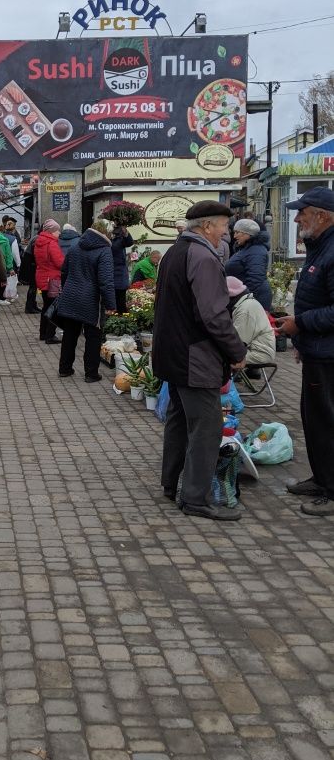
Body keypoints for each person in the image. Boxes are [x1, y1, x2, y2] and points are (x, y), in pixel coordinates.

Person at [152, 201, 246, 521]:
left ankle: (170, 483)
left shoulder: (175, 251)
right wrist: (236, 351)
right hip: (194, 357)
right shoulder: (203, 257)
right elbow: (214, 316)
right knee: (207, 427)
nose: (227, 234)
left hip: (173, 354)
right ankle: (195, 499)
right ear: (207, 227)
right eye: (223, 227)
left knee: (179, 422)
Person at [277, 187, 334, 516]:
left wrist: (301, 324)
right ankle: (322, 477)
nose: (297, 218)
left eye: (303, 213)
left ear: (323, 216)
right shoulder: (320, 247)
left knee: (326, 420)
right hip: (317, 351)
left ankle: (331, 488)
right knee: (313, 421)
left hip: (329, 357)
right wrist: (302, 338)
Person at [56, 221, 116, 381]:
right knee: (93, 336)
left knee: (70, 334)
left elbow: (64, 271)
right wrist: (111, 304)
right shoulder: (104, 250)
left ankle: (65, 368)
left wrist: (67, 288)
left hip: (71, 295)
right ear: (107, 233)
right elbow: (106, 280)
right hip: (91, 299)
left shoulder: (76, 246)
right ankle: (91, 373)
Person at [226, 277, 276, 365]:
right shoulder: (244, 304)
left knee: (216, 358)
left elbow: (237, 342)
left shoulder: (245, 309)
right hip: (254, 349)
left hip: (259, 353)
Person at [224, 219, 272, 310]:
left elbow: (255, 279)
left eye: (238, 232)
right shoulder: (246, 248)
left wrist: (245, 300)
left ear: (248, 233)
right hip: (246, 298)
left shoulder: (256, 250)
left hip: (254, 299)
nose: (234, 236)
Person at [34, 219, 64, 345]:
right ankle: (50, 335)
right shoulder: (52, 243)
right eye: (57, 230)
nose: (59, 233)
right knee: (53, 308)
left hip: (42, 277)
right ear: (51, 231)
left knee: (46, 306)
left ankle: (43, 333)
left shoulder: (39, 242)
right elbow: (59, 262)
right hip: (52, 279)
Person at [111, 225, 135, 313]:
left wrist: (125, 232)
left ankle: (120, 322)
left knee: (120, 301)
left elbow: (129, 242)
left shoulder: (119, 239)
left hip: (119, 275)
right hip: (108, 273)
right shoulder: (106, 239)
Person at [18, 231, 41, 314]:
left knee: (33, 287)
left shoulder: (36, 237)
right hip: (31, 265)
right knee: (33, 286)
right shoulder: (37, 238)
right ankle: (29, 307)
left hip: (30, 263)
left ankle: (32, 305)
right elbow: (35, 253)